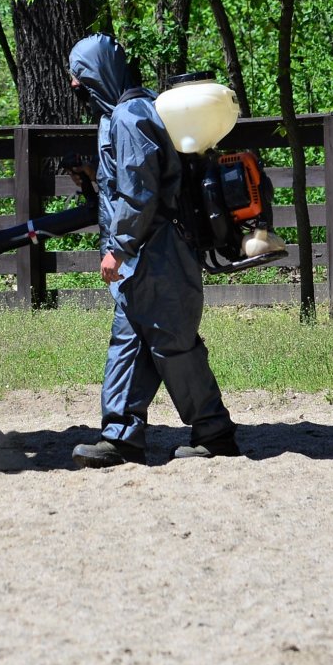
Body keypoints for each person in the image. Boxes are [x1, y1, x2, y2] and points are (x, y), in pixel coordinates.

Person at [64, 34, 241, 466]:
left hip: (156, 252)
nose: (75, 88)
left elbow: (139, 193)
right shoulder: (127, 113)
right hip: (147, 254)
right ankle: (121, 437)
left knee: (173, 345)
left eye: (80, 77)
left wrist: (119, 247)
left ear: (98, 74)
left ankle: (214, 433)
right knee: (129, 342)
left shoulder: (128, 115)